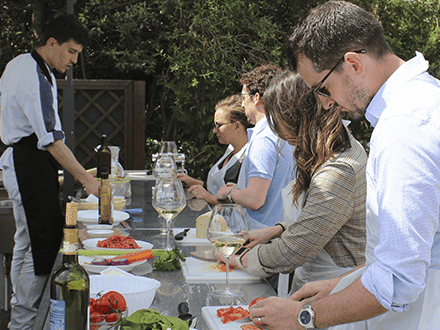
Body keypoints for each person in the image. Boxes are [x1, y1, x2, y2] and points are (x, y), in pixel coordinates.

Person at [248, 1, 440, 329]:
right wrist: (338, 285)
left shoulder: (403, 127)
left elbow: (398, 282)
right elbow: (417, 249)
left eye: (322, 88)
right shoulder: (425, 100)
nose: (325, 103)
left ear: (351, 63)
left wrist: (302, 316)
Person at [221, 71, 367, 299]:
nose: (277, 132)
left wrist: (237, 259)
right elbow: (319, 217)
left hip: (332, 293)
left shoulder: (338, 170)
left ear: (296, 118)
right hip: (312, 283)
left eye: (277, 121)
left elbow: (297, 248)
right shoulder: (327, 147)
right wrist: (277, 229)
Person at [0, 15, 99, 329]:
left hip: (23, 159)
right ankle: (23, 321)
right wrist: (86, 178)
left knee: (27, 240)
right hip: (27, 160)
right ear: (51, 43)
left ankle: (20, 314)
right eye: (71, 51)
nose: (74, 59)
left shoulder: (26, 66)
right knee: (44, 240)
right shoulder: (33, 74)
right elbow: (50, 140)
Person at [217, 64, 296, 229]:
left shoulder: (265, 137)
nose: (242, 104)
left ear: (257, 98)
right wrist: (239, 189)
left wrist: (228, 192)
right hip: (279, 230)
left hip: (261, 236)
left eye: (244, 97)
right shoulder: (284, 130)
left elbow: (254, 199)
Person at [177, 94, 251, 206]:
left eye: (219, 125)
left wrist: (210, 198)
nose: (214, 131)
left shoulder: (248, 157)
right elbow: (220, 187)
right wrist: (194, 182)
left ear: (237, 126)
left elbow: (245, 201)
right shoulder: (231, 149)